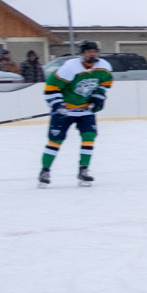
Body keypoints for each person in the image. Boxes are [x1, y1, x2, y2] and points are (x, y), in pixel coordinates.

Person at [38, 40, 112, 188]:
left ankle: (83, 170)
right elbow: (51, 87)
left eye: (94, 51)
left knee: (89, 137)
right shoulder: (70, 68)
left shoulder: (104, 67)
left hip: (85, 110)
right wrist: (58, 104)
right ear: (82, 54)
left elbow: (104, 84)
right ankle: (45, 171)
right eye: (89, 52)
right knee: (55, 140)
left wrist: (97, 98)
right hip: (65, 110)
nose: (92, 54)